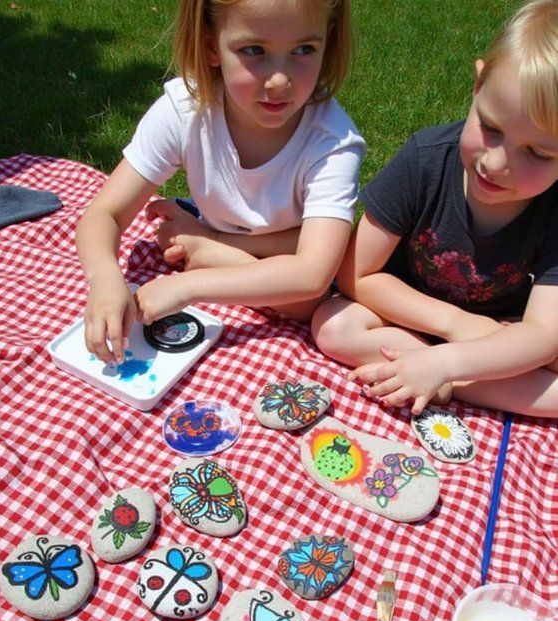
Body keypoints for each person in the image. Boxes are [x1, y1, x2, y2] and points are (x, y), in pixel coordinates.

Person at [76, 0, 365, 364]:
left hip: (296, 267)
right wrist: (104, 278)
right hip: (266, 261)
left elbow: (311, 278)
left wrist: (190, 281)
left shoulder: (332, 142)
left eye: (304, 50)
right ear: (212, 46)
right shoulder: (186, 109)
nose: (279, 79)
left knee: (310, 305)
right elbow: (105, 213)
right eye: (254, 51)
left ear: (329, 40)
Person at [311, 0, 558, 418]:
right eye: (492, 129)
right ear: (478, 86)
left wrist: (449, 364)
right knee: (334, 324)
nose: (496, 164)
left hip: (498, 342)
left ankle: (435, 376)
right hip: (405, 318)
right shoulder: (426, 160)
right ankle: (428, 370)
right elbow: (355, 273)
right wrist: (453, 326)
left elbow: (544, 334)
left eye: (537, 153)